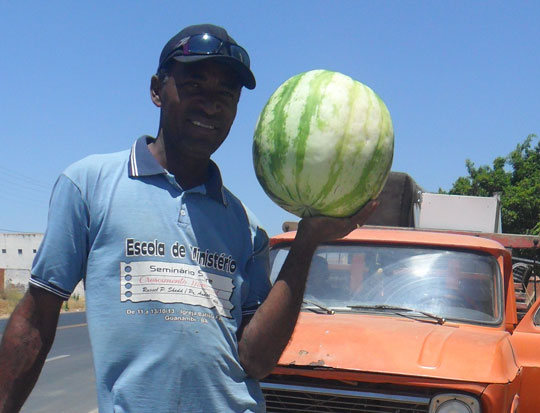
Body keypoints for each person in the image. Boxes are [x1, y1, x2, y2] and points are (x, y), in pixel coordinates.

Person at [0, 24, 377, 412]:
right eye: (195, 86)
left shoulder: (245, 227)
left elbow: (256, 361)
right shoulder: (89, 186)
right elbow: (35, 319)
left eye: (226, 94)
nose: (211, 104)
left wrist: (307, 241)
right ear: (156, 90)